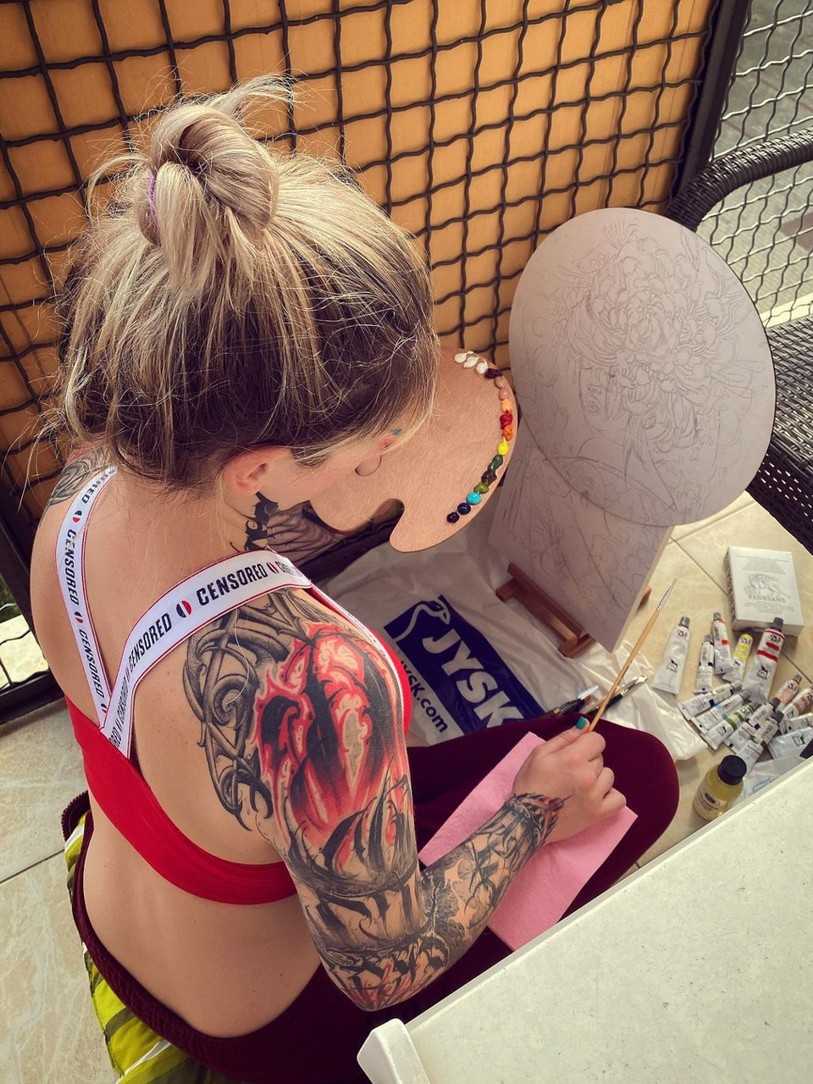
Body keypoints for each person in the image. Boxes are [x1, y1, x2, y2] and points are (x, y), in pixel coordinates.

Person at [30, 76, 679, 1084]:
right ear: (256, 468)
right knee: (636, 774)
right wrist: (533, 809)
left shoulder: (72, 504)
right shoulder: (319, 675)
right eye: (366, 446)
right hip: (255, 1022)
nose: (381, 459)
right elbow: (382, 968)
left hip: (118, 906)